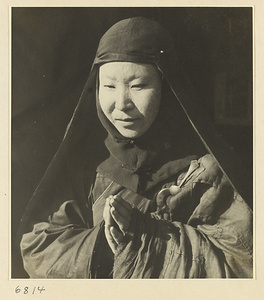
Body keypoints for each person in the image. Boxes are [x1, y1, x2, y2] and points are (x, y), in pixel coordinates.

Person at [18, 17, 252, 278]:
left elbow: (239, 265)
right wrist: (103, 244)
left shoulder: (206, 173)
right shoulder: (85, 166)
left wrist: (146, 237)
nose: (121, 103)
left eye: (138, 85)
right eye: (108, 86)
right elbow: (38, 246)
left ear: (166, 86)